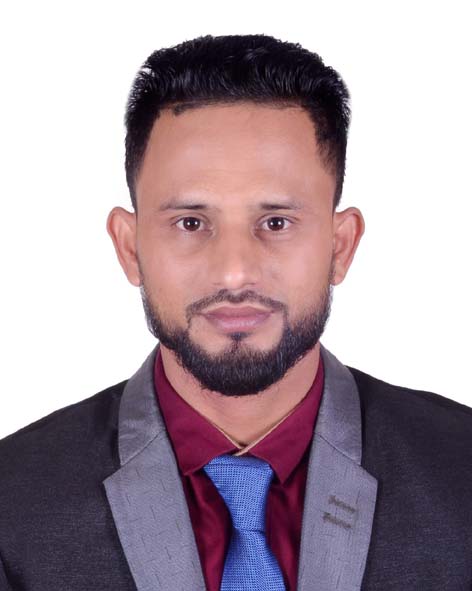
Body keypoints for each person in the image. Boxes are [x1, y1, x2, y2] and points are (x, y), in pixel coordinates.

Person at [0, 33, 471, 591]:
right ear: (129, 248)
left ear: (340, 246)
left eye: (276, 222)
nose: (234, 273)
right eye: (190, 223)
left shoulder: (460, 470)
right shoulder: (13, 502)